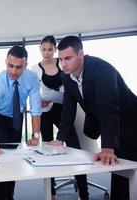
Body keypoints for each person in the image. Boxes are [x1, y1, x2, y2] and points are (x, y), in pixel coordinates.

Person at [49, 35, 137, 200]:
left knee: (131, 171)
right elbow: (68, 108)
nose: (63, 64)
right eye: (60, 59)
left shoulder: (102, 70)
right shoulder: (67, 76)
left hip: (131, 123)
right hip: (113, 127)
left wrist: (108, 147)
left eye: (68, 58)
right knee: (119, 172)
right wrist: (60, 138)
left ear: (80, 54)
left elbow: (108, 107)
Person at [32, 35, 89, 200]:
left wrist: (51, 96)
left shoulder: (63, 63)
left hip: (64, 111)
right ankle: (52, 193)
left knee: (75, 147)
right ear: (40, 49)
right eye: (44, 49)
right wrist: (44, 100)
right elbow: (36, 94)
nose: (47, 52)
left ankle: (84, 192)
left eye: (50, 49)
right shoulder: (35, 69)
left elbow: (69, 93)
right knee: (47, 152)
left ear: (55, 49)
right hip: (45, 113)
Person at [0, 45, 41, 200]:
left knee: (13, 160)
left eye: (19, 67)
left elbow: (36, 109)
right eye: (11, 66)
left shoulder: (32, 78)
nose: (14, 71)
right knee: (0, 161)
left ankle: (9, 196)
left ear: (26, 65)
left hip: (16, 119)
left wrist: (35, 135)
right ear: (6, 62)